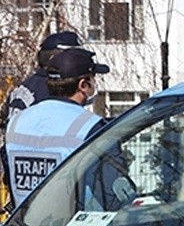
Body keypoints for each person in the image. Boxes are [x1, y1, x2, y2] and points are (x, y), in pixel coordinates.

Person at [4, 47, 109, 207]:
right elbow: (109, 192)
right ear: (83, 85)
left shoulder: (16, 122)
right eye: (93, 78)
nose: (94, 83)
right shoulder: (90, 126)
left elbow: (9, 178)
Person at [2, 30, 82, 130]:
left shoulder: (28, 85)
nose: (82, 63)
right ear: (54, 58)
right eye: (76, 57)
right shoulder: (54, 89)